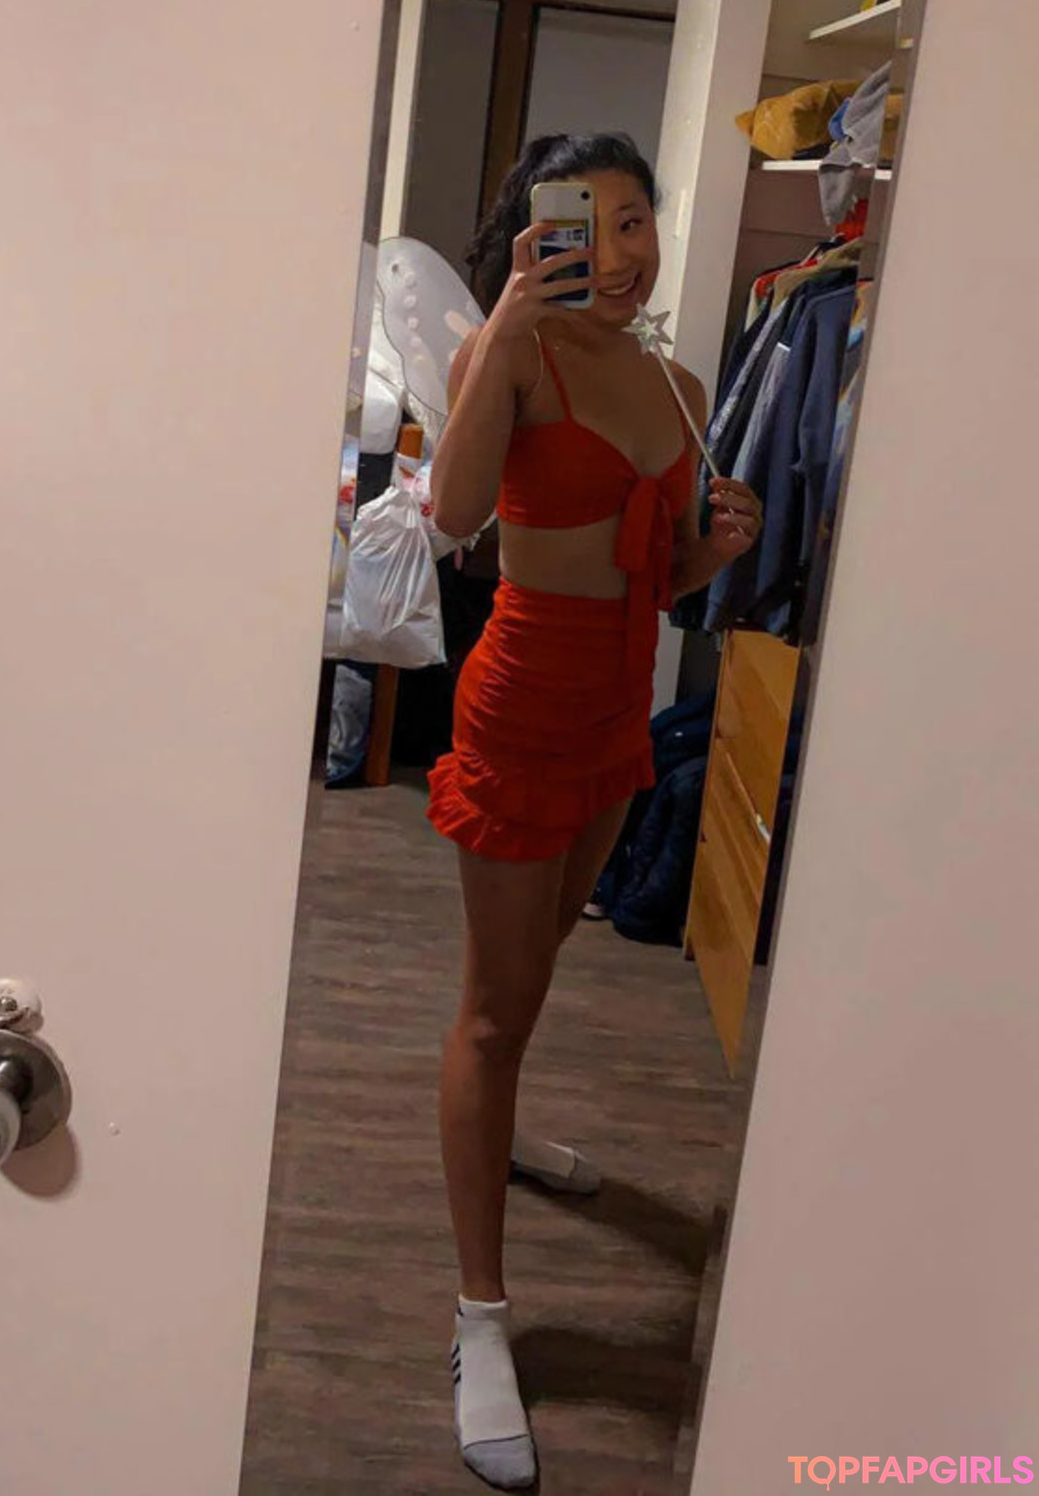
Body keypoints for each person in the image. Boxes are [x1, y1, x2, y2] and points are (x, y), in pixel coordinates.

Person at [429, 133, 762, 1490]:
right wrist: (510, 320)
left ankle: (497, 1128)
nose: (623, 253)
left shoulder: (683, 390)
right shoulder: (514, 351)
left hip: (617, 718)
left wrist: (711, 550)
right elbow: (456, 515)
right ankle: (480, 1323)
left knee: (539, 968)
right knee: (490, 1010)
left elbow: (655, 580)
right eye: (593, 224)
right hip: (521, 711)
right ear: (539, 234)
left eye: (639, 221)